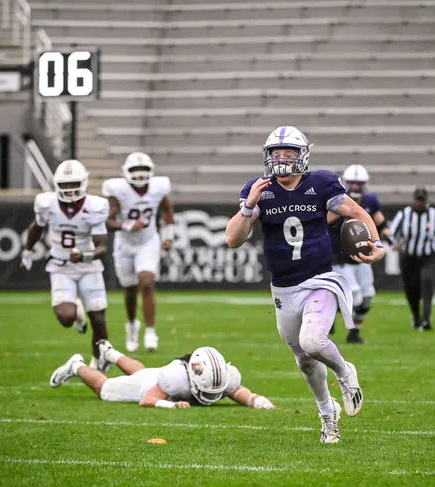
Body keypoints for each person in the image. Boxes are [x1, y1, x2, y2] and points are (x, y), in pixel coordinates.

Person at [225, 126, 385, 444]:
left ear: (303, 155)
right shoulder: (259, 189)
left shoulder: (321, 183)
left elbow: (355, 211)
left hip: (320, 279)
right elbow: (233, 239)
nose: (281, 159)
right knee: (306, 362)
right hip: (283, 287)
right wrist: (248, 206)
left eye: (288, 153)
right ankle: (328, 417)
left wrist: (376, 242)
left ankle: (344, 371)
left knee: (313, 341)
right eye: (276, 153)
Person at [20, 159, 112, 370]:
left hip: (88, 266)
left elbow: (102, 247)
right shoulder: (47, 204)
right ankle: (78, 315)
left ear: (84, 183)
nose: (69, 189)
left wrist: (84, 255)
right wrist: (27, 252)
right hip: (61, 265)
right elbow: (36, 228)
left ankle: (99, 362)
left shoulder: (95, 206)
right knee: (65, 317)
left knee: (98, 317)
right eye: (65, 184)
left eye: (73, 184)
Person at [49, 342, 275, 410]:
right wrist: (170, 406)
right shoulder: (176, 379)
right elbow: (146, 399)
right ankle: (76, 365)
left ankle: (110, 353)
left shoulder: (221, 375)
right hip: (148, 386)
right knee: (105, 389)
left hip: (153, 376)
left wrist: (259, 401)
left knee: (142, 370)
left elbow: (237, 391)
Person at [102, 152, 174, 353]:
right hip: (125, 243)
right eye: (135, 170)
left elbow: (167, 210)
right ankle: (132, 325)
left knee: (147, 280)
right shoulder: (119, 191)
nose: (140, 174)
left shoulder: (159, 188)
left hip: (148, 241)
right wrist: (128, 225)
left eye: (143, 170)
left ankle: (151, 331)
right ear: (127, 172)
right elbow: (108, 221)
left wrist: (168, 235)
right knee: (130, 289)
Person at [327, 164, 394, 343]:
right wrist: (343, 210)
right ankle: (329, 314)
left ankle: (354, 333)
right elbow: (323, 220)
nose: (355, 187)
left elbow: (380, 222)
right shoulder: (337, 200)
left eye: (359, 183)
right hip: (340, 257)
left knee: (367, 296)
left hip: (362, 258)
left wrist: (387, 235)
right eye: (352, 183)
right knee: (354, 297)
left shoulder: (370, 200)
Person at [390, 187, 435, 331]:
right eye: (417, 200)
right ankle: (416, 316)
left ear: (426, 201)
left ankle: (426, 318)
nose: (419, 203)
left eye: (422, 200)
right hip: (408, 257)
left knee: (427, 281)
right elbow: (391, 233)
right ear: (413, 200)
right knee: (412, 290)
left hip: (428, 256)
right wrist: (396, 243)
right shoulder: (404, 214)